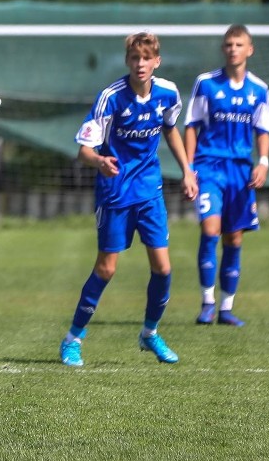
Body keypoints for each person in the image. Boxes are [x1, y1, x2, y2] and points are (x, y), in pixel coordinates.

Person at [59, 31, 198, 368]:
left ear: (156, 61)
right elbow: (83, 151)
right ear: (128, 61)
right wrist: (99, 161)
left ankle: (150, 334)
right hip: (115, 193)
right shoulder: (111, 98)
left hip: (149, 191)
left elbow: (170, 129)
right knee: (106, 269)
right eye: (135, 58)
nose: (140, 64)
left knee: (163, 267)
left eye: (146, 58)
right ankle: (73, 339)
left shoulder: (167, 93)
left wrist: (187, 170)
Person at [184, 24, 269, 327]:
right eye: (228, 44)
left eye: (239, 44)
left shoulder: (259, 89)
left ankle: (226, 308)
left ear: (249, 50)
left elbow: (263, 130)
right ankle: (207, 303)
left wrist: (262, 162)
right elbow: (191, 126)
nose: (233, 49)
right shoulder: (206, 83)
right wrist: (188, 167)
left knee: (234, 238)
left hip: (240, 170)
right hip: (208, 167)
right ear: (223, 49)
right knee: (210, 230)